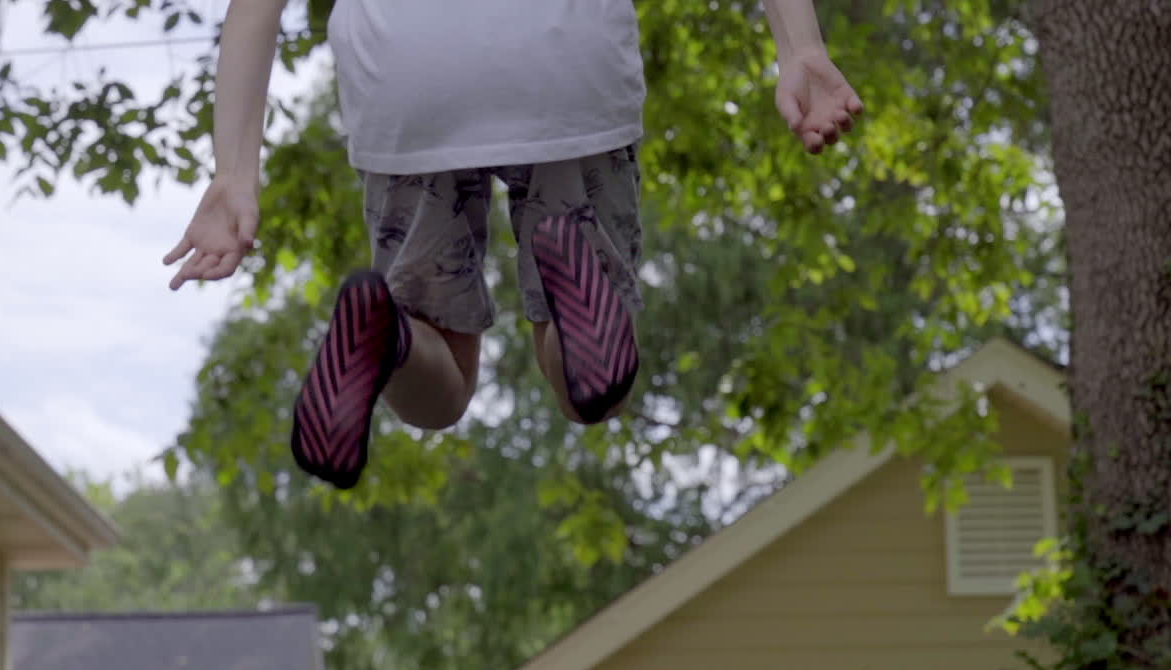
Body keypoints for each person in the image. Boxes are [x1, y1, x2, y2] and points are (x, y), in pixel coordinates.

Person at [163, 0, 864, 489]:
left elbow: (254, 8)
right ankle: (580, 290)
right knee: (589, 396)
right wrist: (801, 47)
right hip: (567, 64)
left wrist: (234, 174)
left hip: (407, 78)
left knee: (438, 392)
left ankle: (392, 337)